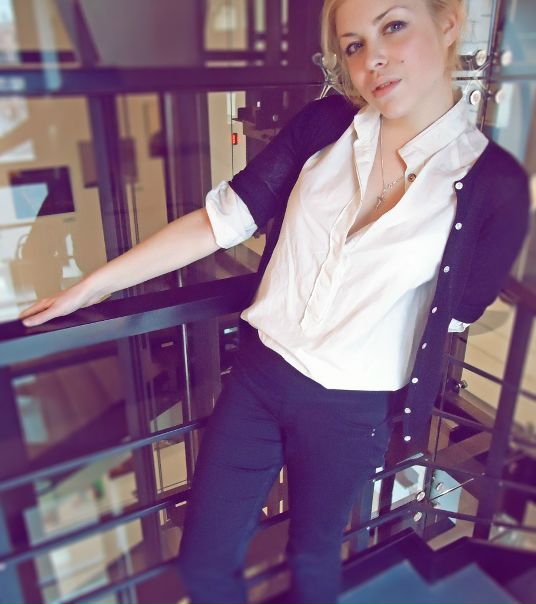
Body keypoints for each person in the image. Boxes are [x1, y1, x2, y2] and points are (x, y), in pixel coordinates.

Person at [20, 0, 530, 602]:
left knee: (314, 561)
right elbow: (220, 222)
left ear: (447, 24)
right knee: (204, 563)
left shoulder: (496, 186)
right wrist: (93, 285)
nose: (373, 59)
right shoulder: (324, 127)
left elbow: (459, 312)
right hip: (259, 380)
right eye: (353, 44)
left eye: (393, 26)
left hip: (351, 409)